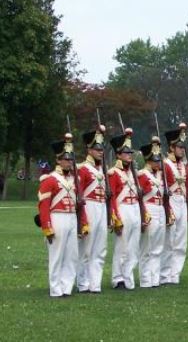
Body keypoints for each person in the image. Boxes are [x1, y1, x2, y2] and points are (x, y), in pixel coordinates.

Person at [37, 133, 88, 297]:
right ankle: (55, 288)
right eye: (66, 159)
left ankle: (66, 287)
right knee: (57, 255)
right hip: (57, 217)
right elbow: (43, 206)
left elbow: (80, 204)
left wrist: (83, 222)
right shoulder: (49, 180)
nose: (69, 162)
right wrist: (47, 227)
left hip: (72, 217)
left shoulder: (75, 180)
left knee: (71, 255)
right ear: (58, 160)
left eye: (71, 159)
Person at [108, 128, 145, 290]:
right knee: (122, 246)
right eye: (125, 152)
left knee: (133, 246)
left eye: (130, 152)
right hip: (123, 208)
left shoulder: (134, 173)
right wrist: (115, 217)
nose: (129, 155)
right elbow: (112, 197)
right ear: (118, 154)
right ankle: (118, 278)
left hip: (135, 208)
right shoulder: (113, 173)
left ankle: (128, 276)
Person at [77, 125, 108, 294]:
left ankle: (95, 283)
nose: (100, 151)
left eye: (101, 148)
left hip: (101, 207)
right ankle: (83, 282)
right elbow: (79, 195)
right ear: (89, 149)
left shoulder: (102, 170)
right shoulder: (82, 169)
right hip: (89, 206)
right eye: (96, 148)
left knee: (100, 248)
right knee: (86, 248)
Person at [160, 123, 188, 285]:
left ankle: (175, 273)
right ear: (171, 147)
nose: (182, 150)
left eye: (183, 147)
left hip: (182, 201)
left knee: (181, 240)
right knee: (168, 240)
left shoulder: (183, 165)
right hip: (170, 201)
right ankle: (164, 274)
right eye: (179, 147)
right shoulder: (165, 164)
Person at [137, 137, 168, 288]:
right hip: (149, 209)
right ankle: (145, 279)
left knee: (158, 247)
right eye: (155, 160)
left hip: (160, 209)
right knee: (147, 248)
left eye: (158, 160)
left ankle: (155, 279)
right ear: (148, 160)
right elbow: (139, 197)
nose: (158, 163)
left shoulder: (160, 175)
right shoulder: (142, 175)